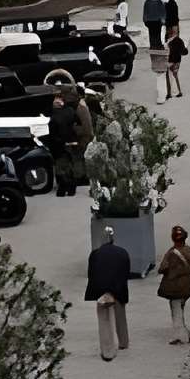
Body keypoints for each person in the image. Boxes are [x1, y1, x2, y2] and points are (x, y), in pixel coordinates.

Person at [87, 225, 133, 360]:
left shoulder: (95, 254)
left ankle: (107, 347)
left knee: (104, 318)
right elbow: (126, 273)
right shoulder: (122, 252)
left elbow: (91, 274)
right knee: (120, 316)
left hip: (101, 289)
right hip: (118, 288)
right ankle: (123, 341)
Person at [157, 225, 190, 343]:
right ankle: (185, 333)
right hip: (187, 285)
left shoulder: (171, 253)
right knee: (181, 308)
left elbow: (162, 268)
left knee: (176, 309)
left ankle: (180, 335)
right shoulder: (189, 250)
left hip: (174, 287)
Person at [48, 91, 80, 196]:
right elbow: (78, 122)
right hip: (72, 142)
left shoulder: (53, 118)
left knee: (61, 167)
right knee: (71, 165)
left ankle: (62, 189)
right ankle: (72, 188)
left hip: (61, 144)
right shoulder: (71, 111)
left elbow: (52, 134)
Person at [163, 23, 187, 99]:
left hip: (174, 60)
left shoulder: (178, 40)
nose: (170, 33)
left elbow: (184, 51)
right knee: (172, 75)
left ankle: (173, 92)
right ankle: (172, 92)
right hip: (172, 60)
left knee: (173, 75)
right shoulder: (170, 39)